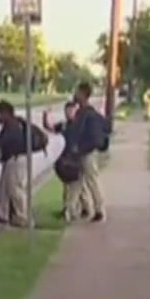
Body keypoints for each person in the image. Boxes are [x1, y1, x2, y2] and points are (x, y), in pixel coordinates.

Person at [44, 101, 93, 222]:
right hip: (66, 159)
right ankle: (82, 208)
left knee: (76, 186)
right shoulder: (64, 125)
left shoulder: (80, 125)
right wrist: (45, 115)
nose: (68, 113)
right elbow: (49, 127)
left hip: (78, 158)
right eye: (67, 111)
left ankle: (72, 210)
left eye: (71, 110)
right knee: (72, 186)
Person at [0, 100, 29, 227]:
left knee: (15, 189)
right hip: (11, 160)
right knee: (3, 188)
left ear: (5, 113)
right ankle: (3, 214)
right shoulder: (12, 124)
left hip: (16, 160)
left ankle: (22, 216)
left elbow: (1, 142)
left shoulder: (12, 126)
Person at [71, 82, 108, 222]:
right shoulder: (84, 112)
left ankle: (99, 209)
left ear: (83, 94)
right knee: (79, 182)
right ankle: (76, 209)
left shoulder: (86, 113)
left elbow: (83, 134)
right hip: (83, 152)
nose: (75, 94)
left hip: (87, 153)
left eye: (77, 91)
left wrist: (79, 147)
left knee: (91, 181)